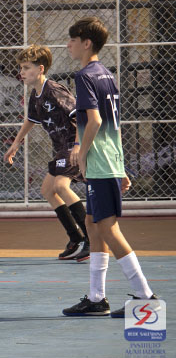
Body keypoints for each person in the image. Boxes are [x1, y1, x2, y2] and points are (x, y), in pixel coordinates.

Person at [61, 17, 157, 317]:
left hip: (100, 164)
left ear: (86, 43)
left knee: (107, 228)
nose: (68, 45)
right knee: (92, 224)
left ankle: (145, 296)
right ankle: (97, 298)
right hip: (110, 161)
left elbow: (96, 121)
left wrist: (82, 154)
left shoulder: (84, 76)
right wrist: (120, 165)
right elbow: (114, 125)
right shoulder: (107, 74)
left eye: (72, 39)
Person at [4, 45, 89, 261]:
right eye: (21, 68)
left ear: (40, 69)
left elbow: (80, 115)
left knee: (60, 186)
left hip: (72, 144)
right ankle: (75, 238)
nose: (21, 72)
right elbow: (30, 120)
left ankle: (91, 238)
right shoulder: (36, 94)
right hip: (61, 148)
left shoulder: (54, 90)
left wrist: (78, 146)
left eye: (26, 68)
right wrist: (16, 143)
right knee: (47, 190)